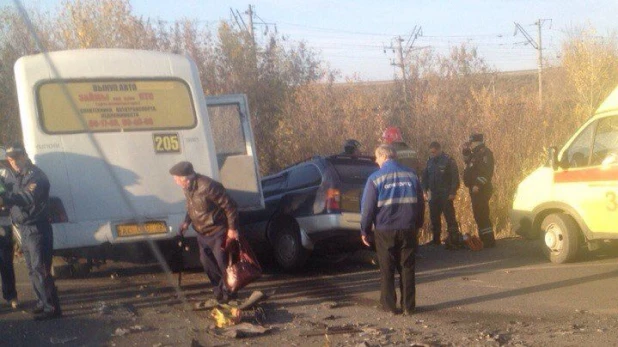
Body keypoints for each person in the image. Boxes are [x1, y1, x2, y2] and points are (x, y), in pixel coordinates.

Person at [360, 144, 424, 315]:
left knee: (387, 268)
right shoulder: (411, 175)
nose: (376, 161)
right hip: (407, 227)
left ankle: (389, 306)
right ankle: (408, 307)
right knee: (407, 266)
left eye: (376, 158)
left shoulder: (375, 178)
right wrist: (418, 224)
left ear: (383, 157)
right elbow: (420, 203)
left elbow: (367, 208)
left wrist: (364, 230)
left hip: (385, 229)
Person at [0, 143, 61, 320]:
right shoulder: (15, 176)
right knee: (31, 269)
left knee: (40, 268)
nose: (14, 162)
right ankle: (42, 302)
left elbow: (27, 197)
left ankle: (52, 307)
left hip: (37, 228)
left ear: (25, 157)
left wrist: (5, 199)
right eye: (11, 159)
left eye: (17, 158)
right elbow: (8, 190)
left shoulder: (36, 176)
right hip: (24, 229)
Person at [170, 161, 239, 303]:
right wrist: (186, 222)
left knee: (222, 263)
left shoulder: (208, 186)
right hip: (202, 233)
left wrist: (232, 229)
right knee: (206, 263)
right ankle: (219, 291)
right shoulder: (188, 187)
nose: (175, 182)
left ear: (185, 179)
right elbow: (192, 207)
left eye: (176, 179)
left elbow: (230, 206)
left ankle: (230, 293)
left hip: (218, 230)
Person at [421, 141, 462, 248]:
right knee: (434, 217)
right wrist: (424, 190)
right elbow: (425, 177)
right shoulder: (429, 162)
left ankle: (454, 239)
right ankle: (436, 240)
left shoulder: (448, 160)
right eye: (431, 153)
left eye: (434, 152)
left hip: (445, 193)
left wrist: (453, 192)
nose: (432, 154)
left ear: (439, 150)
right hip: (433, 194)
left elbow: (455, 178)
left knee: (449, 216)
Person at [462, 134, 496, 247]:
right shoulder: (474, 154)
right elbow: (467, 161)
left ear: (477, 142)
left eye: (471, 143)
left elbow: (486, 172)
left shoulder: (485, 153)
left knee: (483, 214)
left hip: (481, 189)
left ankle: (489, 241)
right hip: (474, 189)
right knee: (478, 215)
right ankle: (483, 239)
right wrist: (466, 150)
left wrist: (478, 185)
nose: (470, 144)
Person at [0, 148, 18, 310]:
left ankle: (11, 296)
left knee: (5, 262)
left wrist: (4, 202)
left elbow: (12, 196)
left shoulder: (3, 173)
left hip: (3, 223)